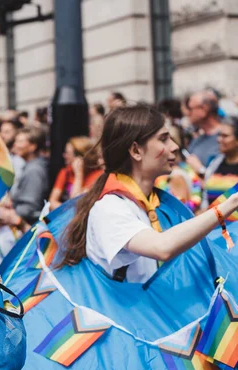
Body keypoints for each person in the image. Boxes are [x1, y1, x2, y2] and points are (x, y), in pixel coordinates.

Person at [59, 104, 238, 284]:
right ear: (136, 151)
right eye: (163, 139)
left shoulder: (153, 202)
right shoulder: (110, 208)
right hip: (121, 312)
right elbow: (162, 247)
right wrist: (231, 204)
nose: (174, 147)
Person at [49, 136, 103, 210]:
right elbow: (52, 202)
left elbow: (75, 202)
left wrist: (78, 175)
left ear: (80, 158)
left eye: (68, 153)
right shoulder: (66, 172)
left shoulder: (98, 175)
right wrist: (66, 211)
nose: (64, 156)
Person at [10, 126, 49, 225]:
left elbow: (29, 207)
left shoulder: (34, 170)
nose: (15, 144)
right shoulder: (30, 166)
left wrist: (9, 213)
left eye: (20, 141)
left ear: (32, 146)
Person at [202, 117, 238, 209]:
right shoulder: (215, 163)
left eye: (225, 136)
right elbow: (205, 198)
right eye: (219, 135)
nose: (219, 139)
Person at [185, 90, 222, 174]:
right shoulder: (197, 139)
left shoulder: (227, 138)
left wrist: (201, 170)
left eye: (190, 109)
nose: (187, 113)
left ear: (204, 109)